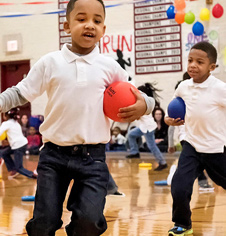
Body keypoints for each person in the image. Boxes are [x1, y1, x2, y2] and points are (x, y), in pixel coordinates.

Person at [0, 0, 155, 235]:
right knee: (44, 222)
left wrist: (146, 105)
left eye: (97, 20)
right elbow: (20, 92)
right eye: (81, 19)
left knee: (89, 222)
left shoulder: (110, 67)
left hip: (93, 158)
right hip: (54, 156)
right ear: (67, 26)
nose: (89, 25)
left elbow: (138, 95)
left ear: (104, 29)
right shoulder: (50, 62)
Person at [165, 41, 226, 236]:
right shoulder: (183, 86)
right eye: (190, 60)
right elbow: (173, 109)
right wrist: (169, 120)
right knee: (179, 186)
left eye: (199, 62)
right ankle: (182, 224)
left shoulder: (219, 88)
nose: (193, 65)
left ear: (212, 67)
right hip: (191, 146)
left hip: (216, 148)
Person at [167, 72, 212, 191]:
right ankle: (200, 183)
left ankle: (180, 178)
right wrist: (171, 144)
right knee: (196, 162)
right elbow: (171, 126)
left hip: (200, 136)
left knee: (199, 162)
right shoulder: (178, 101)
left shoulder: (201, 98)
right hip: (186, 137)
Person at [126, 83, 168, 171]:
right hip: (143, 127)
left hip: (148, 128)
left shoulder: (145, 102)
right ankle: (135, 152)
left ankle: (162, 162)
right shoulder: (146, 101)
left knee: (151, 146)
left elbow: (138, 115)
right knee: (131, 135)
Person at [0, 108, 37, 180]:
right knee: (3, 153)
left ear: (6, 115)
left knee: (19, 168)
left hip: (18, 146)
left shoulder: (6, 123)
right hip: (21, 144)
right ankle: (13, 170)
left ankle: (33, 175)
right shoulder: (15, 123)